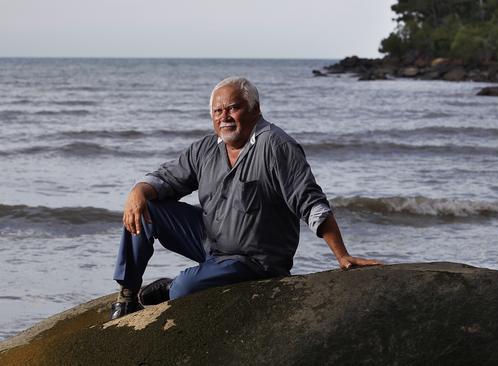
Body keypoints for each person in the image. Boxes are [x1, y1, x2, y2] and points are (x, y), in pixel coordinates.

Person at [110, 76, 381, 319]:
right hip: (211, 243)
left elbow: (310, 202)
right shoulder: (205, 148)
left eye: (233, 108)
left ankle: (171, 286)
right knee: (145, 205)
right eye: (218, 111)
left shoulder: (276, 146)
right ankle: (127, 296)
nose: (224, 116)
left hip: (255, 261)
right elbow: (166, 179)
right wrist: (138, 190)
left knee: (183, 288)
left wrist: (342, 255)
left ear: (255, 110)